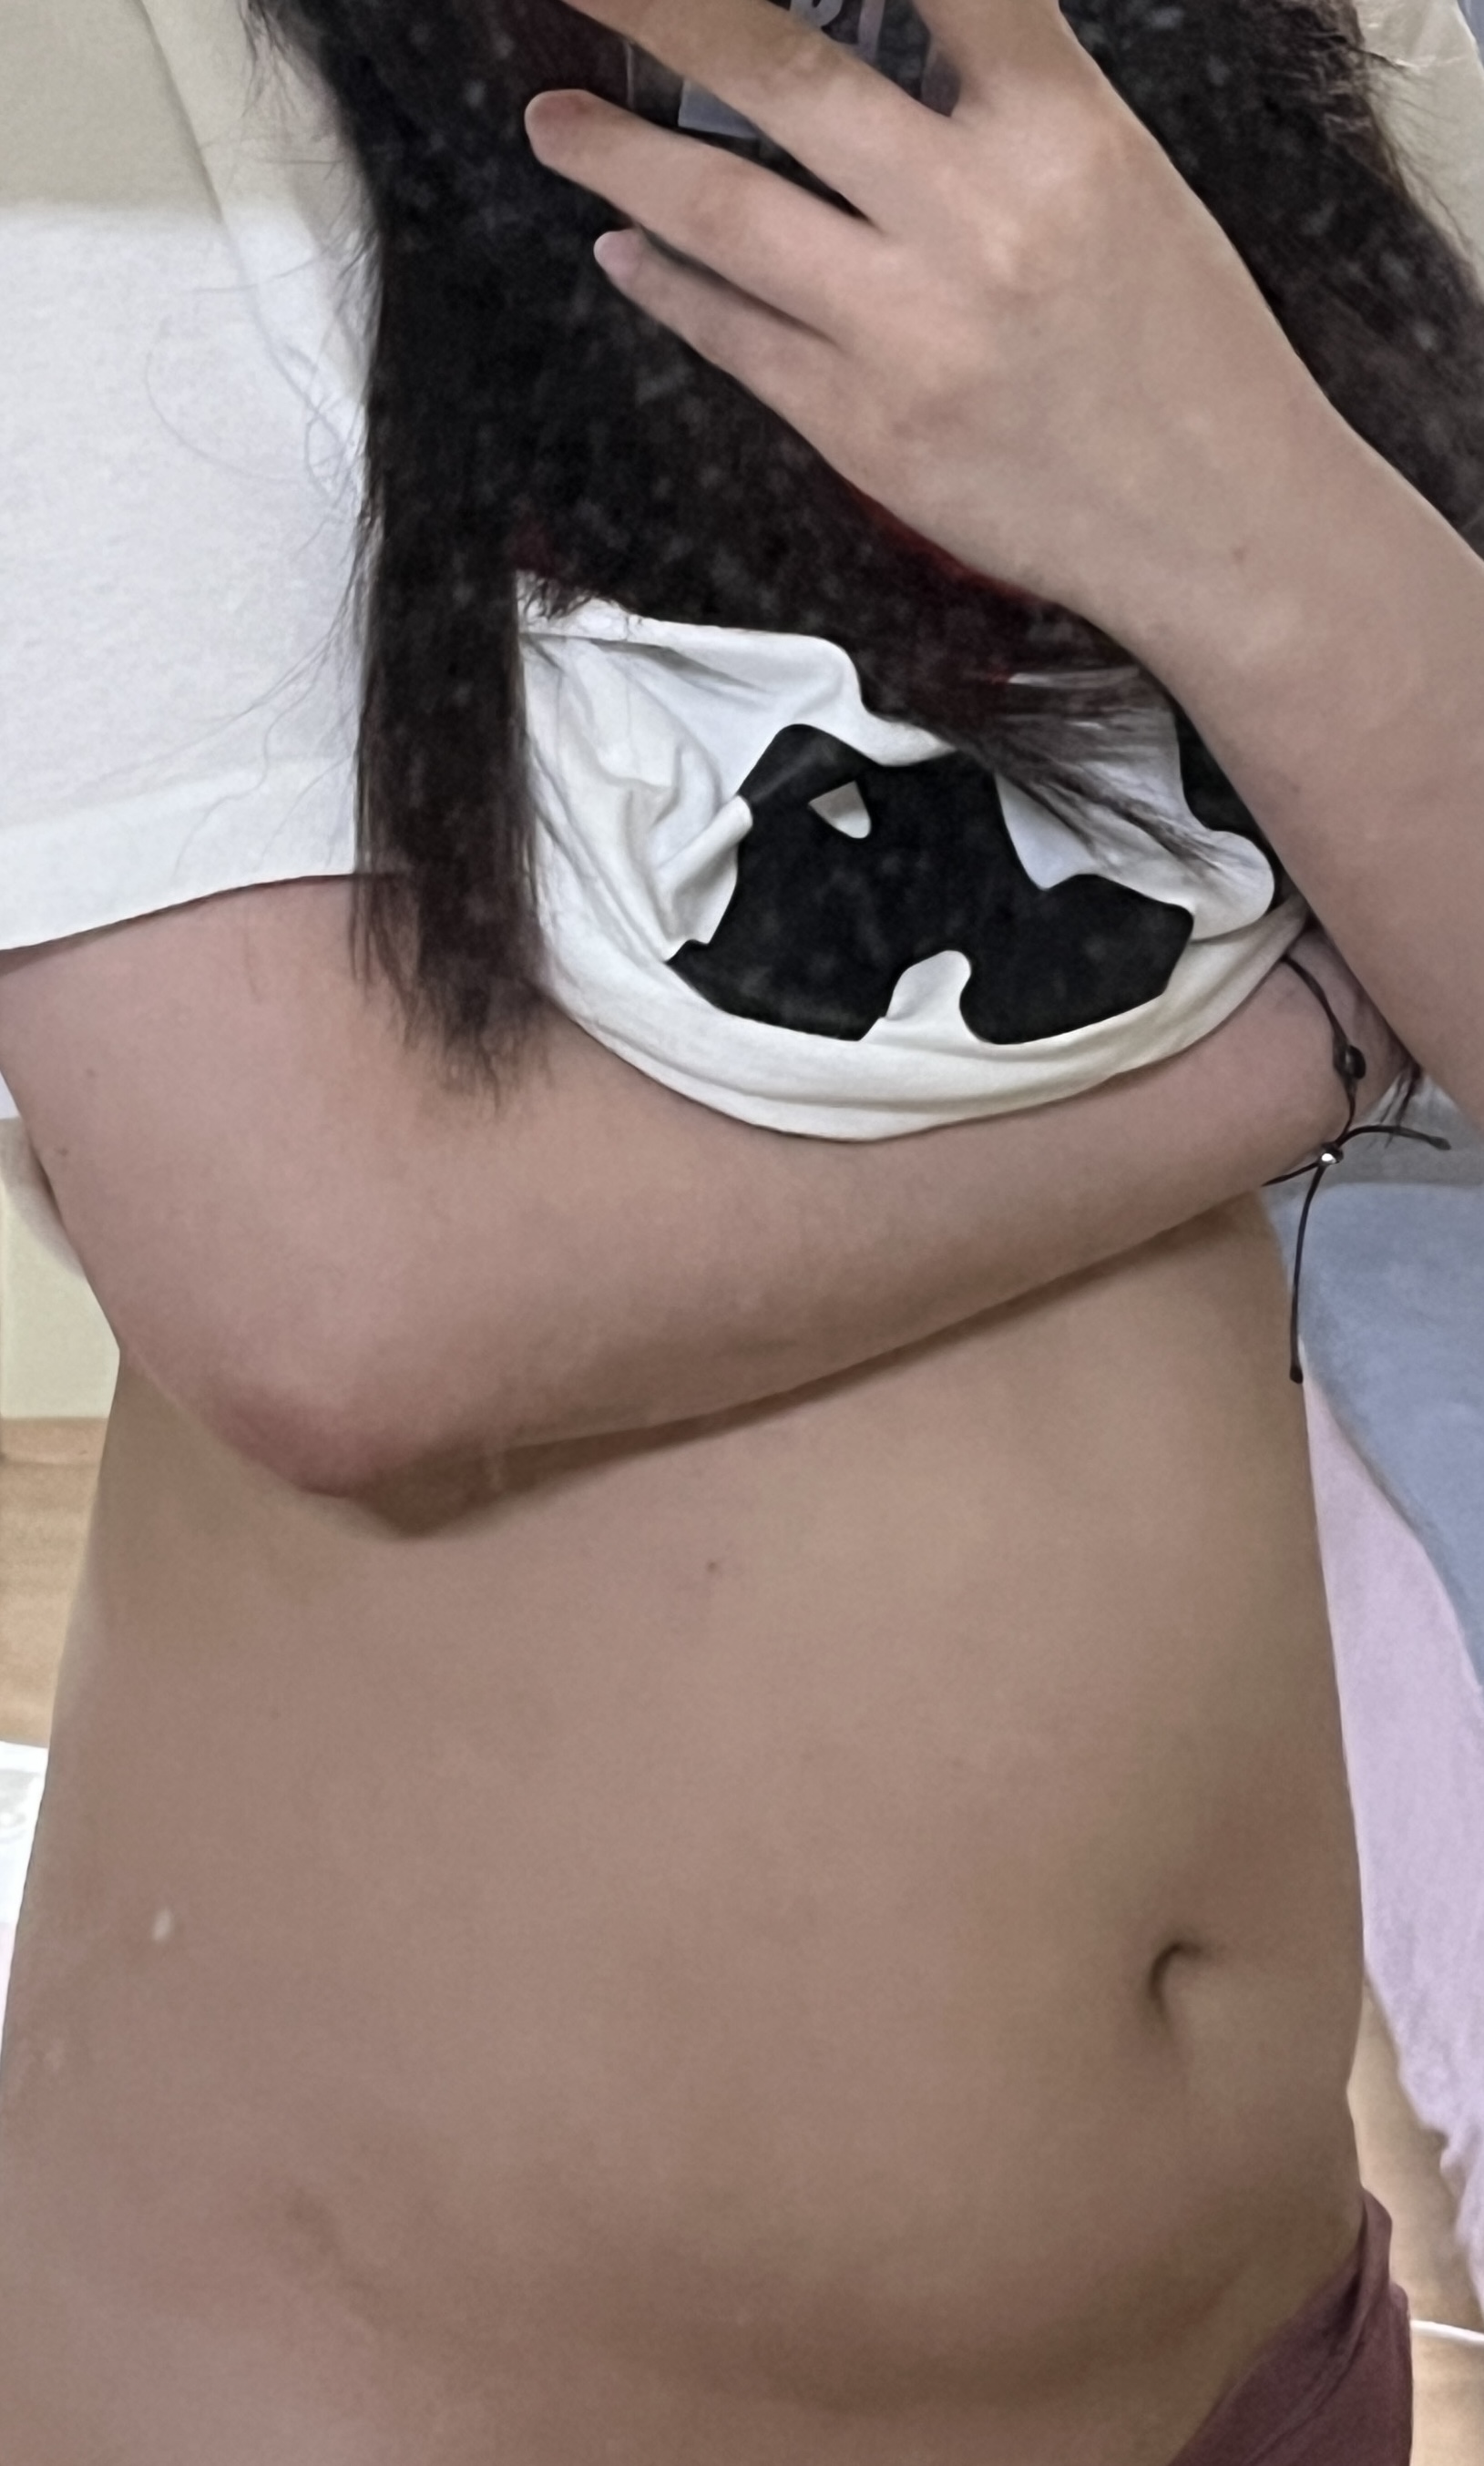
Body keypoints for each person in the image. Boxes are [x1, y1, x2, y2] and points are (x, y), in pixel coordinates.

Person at [0, 0, 1480, 2457]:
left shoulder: (1277, 55)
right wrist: (1313, 1040)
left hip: (1258, 2350)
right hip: (430, 2395)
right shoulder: (100, 85)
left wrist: (1215, 466)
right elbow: (338, 1297)